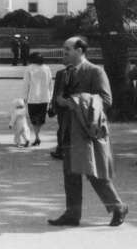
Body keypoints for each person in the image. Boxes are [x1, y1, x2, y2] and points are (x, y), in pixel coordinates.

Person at [48, 36, 128, 228]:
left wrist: (74, 101)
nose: (64, 52)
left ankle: (118, 207)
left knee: (95, 173)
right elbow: (57, 103)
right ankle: (72, 214)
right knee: (70, 174)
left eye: (67, 48)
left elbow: (106, 100)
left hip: (88, 131)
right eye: (64, 48)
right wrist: (58, 103)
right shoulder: (63, 74)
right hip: (68, 130)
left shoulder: (95, 72)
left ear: (80, 51)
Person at [22, 52, 52, 146]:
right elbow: (50, 84)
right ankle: (37, 136)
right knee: (41, 118)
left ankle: (37, 136)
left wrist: (24, 98)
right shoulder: (46, 68)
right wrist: (50, 98)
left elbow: (26, 85)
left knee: (34, 119)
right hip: (44, 97)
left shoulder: (29, 69)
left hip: (32, 98)